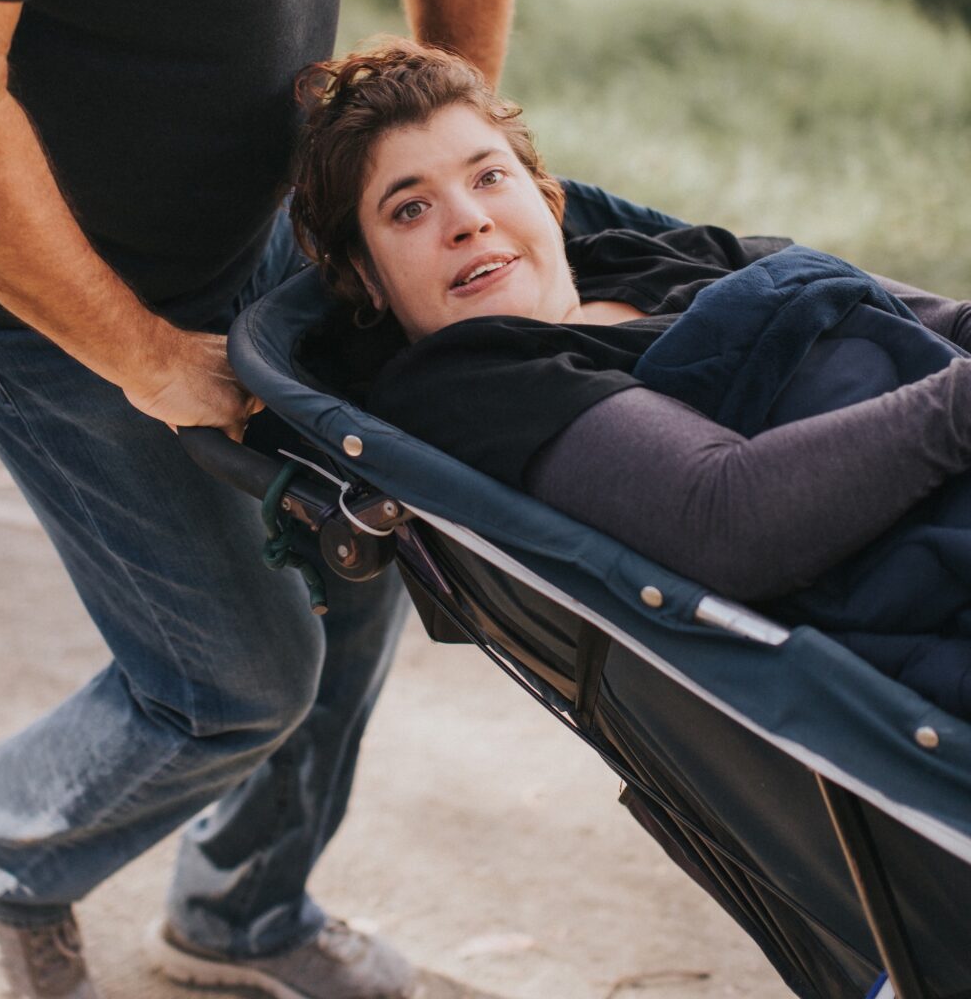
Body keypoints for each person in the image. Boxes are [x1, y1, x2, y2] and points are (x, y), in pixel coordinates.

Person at [0, 0, 516, 999]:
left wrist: (440, 128)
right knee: (231, 681)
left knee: (363, 548)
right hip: (28, 288)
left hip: (262, 227)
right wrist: (142, 356)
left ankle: (241, 908)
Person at [287, 39, 971, 718]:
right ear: (369, 277)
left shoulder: (650, 254)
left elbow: (943, 322)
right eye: (410, 208)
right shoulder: (470, 376)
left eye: (489, 176)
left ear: (548, 198)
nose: (469, 220)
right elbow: (727, 519)